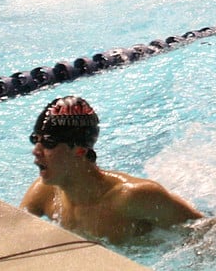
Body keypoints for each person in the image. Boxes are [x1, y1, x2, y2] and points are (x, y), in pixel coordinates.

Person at [21, 97, 203, 245]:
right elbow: (10, 233)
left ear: (79, 150)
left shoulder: (132, 197)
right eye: (35, 140)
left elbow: (205, 228)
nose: (36, 150)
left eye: (48, 143)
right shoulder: (44, 193)